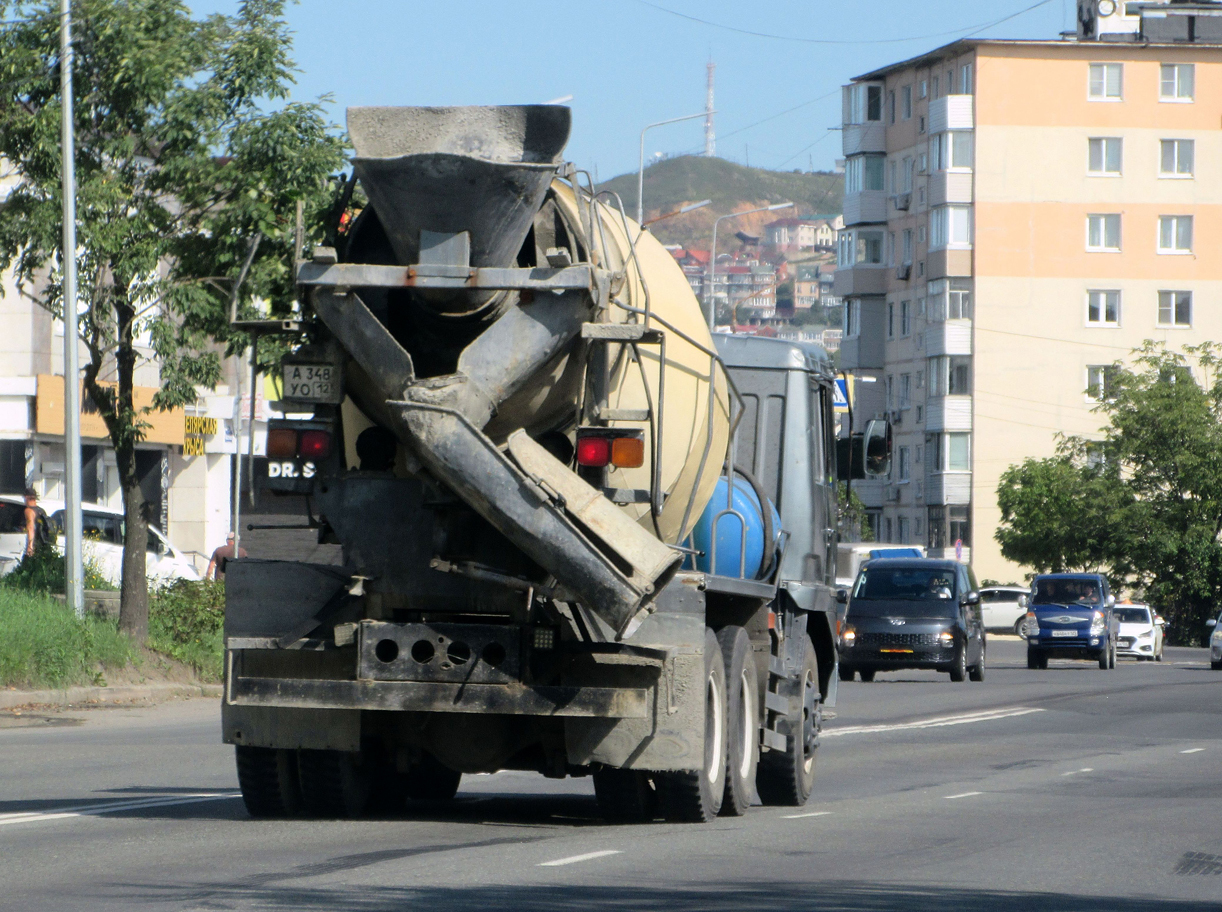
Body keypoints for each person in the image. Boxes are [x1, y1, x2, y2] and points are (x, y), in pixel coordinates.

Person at [22, 487, 52, 560]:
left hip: (35, 545)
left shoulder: (29, 511)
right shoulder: (41, 511)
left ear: (26, 497)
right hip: (43, 543)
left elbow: (31, 528)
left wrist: (30, 547)